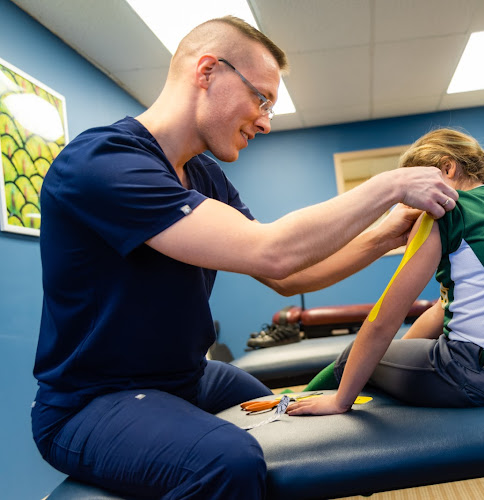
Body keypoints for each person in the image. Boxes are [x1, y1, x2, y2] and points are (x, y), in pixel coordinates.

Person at [31, 16, 458, 500]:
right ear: (207, 71)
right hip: (92, 401)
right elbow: (272, 251)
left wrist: (384, 235)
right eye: (261, 99)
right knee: (229, 462)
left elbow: (289, 274)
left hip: (186, 377)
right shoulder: (103, 162)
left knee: (286, 416)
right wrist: (391, 184)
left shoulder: (205, 176)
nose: (265, 121)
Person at [288, 128, 484, 416]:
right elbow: (443, 309)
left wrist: (341, 401)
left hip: (478, 379)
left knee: (349, 357)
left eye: (415, 186)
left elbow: (384, 320)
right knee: (374, 358)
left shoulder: (446, 211)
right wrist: (392, 358)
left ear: (447, 168)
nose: (411, 203)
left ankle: (289, 407)